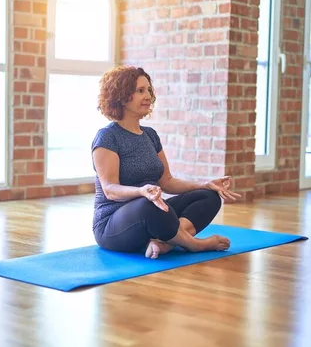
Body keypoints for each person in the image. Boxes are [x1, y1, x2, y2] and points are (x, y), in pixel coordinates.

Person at [91, 65, 242, 259]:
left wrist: (204, 184)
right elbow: (110, 189)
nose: (148, 96)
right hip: (113, 224)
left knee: (208, 196)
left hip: (152, 210)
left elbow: (167, 181)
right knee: (151, 205)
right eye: (140, 91)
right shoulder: (108, 137)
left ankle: (165, 243)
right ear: (121, 96)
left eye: (148, 90)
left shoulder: (150, 135)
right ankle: (194, 244)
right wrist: (141, 191)